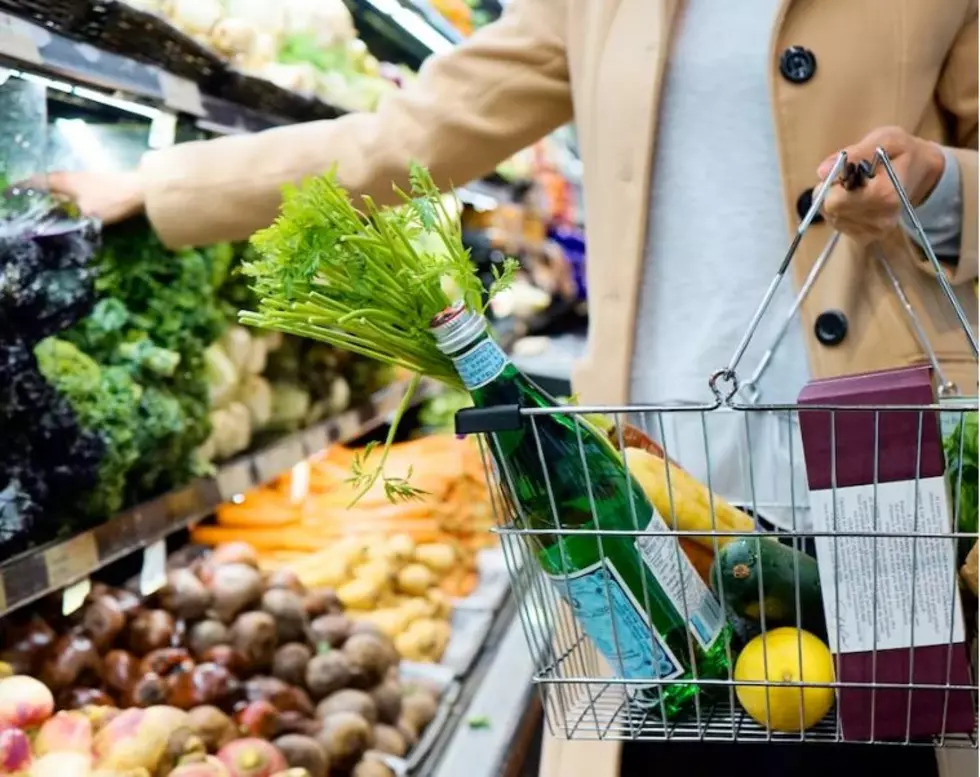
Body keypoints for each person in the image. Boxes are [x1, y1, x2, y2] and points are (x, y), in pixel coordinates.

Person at [46, 1, 977, 775]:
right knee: (679, 748)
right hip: (645, 490)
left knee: (883, 751)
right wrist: (160, 184)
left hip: (876, 480)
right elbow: (407, 138)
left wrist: (935, 190)